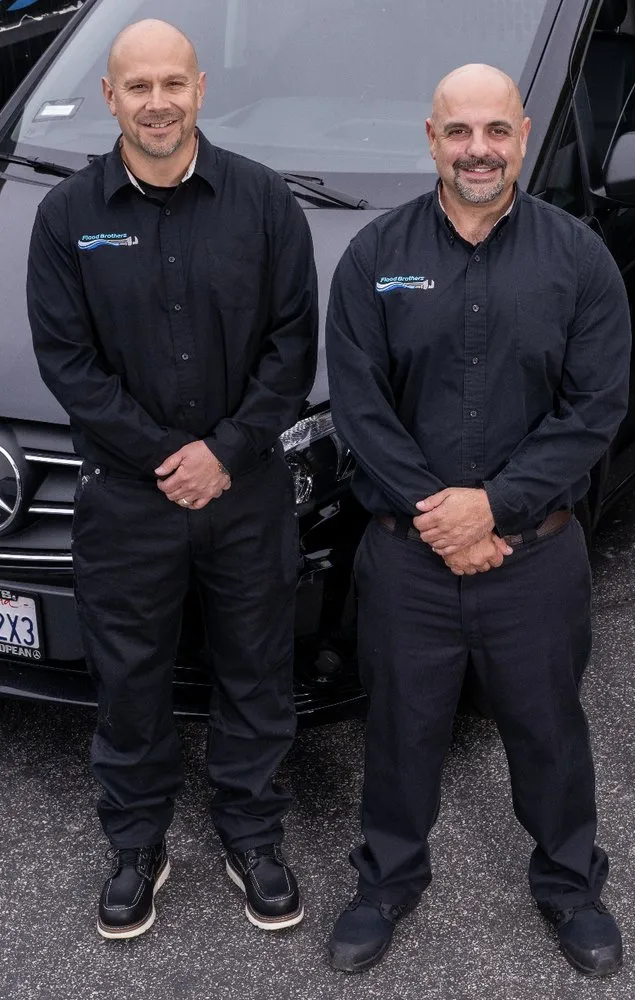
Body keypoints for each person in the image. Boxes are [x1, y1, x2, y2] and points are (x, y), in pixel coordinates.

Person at [325, 63, 631, 977]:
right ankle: (386, 879)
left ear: (523, 136)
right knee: (400, 728)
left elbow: (594, 408)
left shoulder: (579, 259)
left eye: (495, 132)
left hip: (533, 558)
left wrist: (492, 507)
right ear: (430, 139)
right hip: (405, 559)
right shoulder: (375, 258)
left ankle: (571, 886)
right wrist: (441, 517)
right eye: (458, 133)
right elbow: (360, 407)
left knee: (548, 729)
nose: (478, 151)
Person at [27, 20, 317, 939]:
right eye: (137, 87)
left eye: (172, 84)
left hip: (246, 493)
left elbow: (291, 348)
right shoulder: (66, 218)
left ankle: (252, 833)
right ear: (110, 99)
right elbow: (67, 364)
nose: (158, 102)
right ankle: (136, 845)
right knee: (130, 678)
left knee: (255, 670)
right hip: (127, 501)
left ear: (200, 89)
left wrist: (223, 453)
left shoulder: (265, 204)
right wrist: (166, 457)